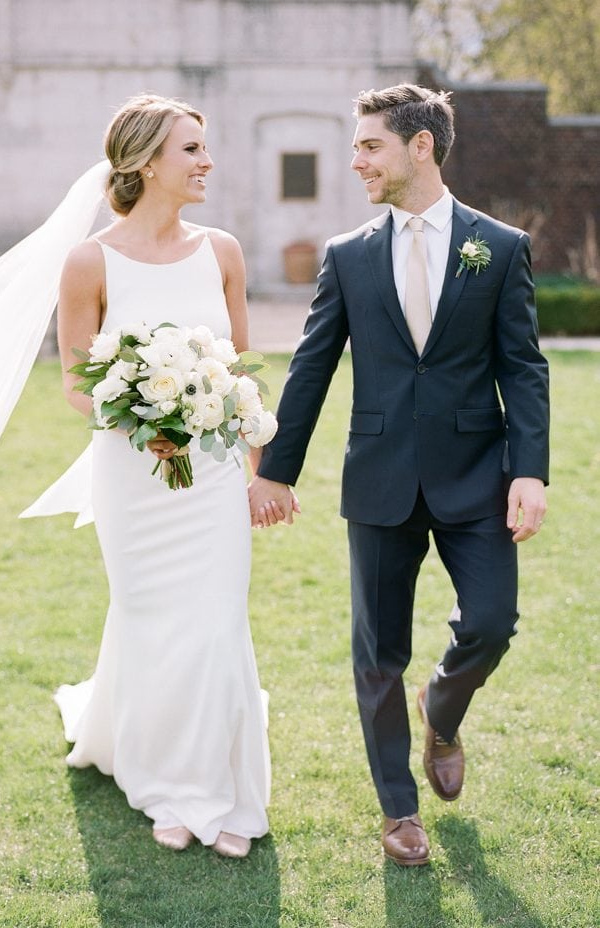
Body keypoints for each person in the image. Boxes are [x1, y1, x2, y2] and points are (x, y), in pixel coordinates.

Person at [249, 84, 549, 866]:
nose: (355, 162)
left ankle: (441, 710)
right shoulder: (347, 256)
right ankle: (397, 812)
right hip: (377, 476)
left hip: (477, 473)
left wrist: (530, 471)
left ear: (420, 147)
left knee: (491, 622)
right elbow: (312, 366)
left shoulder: (500, 246)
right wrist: (276, 471)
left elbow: (522, 367)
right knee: (376, 652)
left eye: (368, 146)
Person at [52, 93, 270, 857]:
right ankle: (163, 783)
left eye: (204, 149)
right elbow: (78, 379)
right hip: (132, 476)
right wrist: (142, 421)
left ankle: (215, 788)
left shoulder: (224, 252)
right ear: (146, 162)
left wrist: (255, 473)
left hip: (209, 476)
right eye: (191, 150)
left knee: (212, 624)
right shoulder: (88, 262)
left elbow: (240, 372)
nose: (206, 162)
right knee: (150, 621)